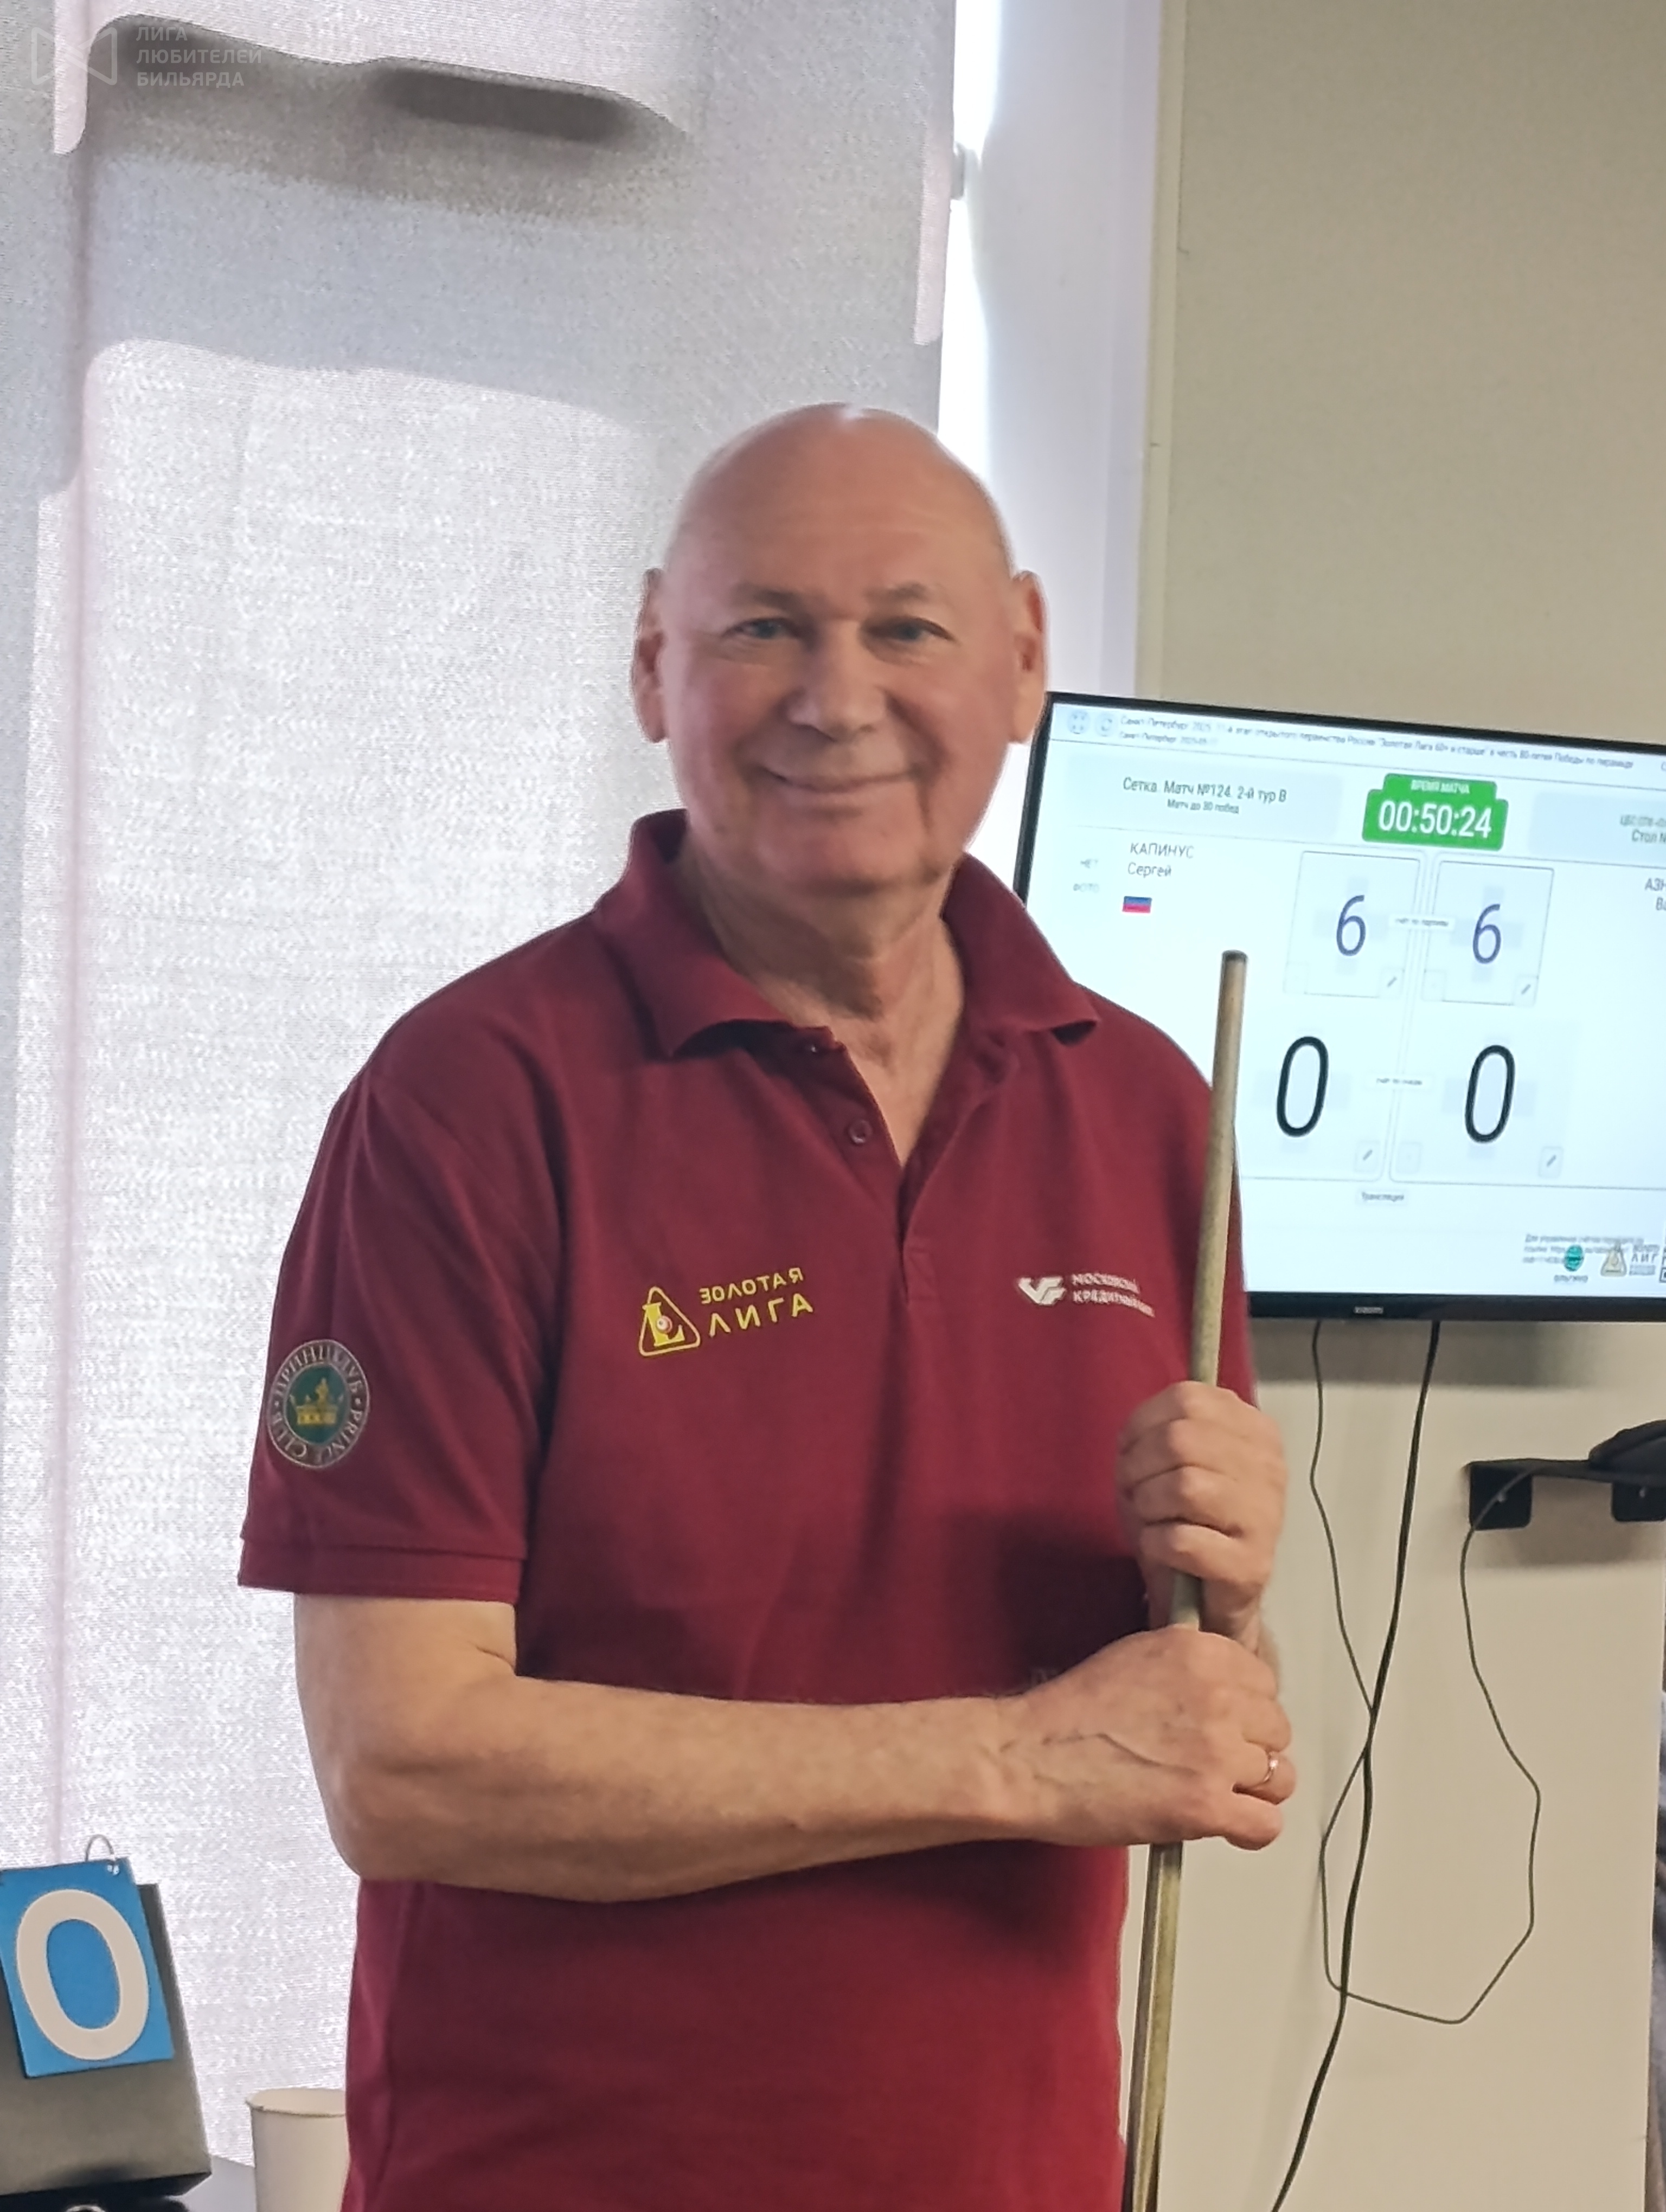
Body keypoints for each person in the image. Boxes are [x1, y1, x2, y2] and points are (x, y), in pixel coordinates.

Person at [240, 404, 1293, 2212]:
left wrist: (1234, 1620)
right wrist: (1011, 1759)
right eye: (765, 628)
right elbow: (404, 1767)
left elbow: (1184, 1722)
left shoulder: (1148, 1110)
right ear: (654, 663)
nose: (836, 697)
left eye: (906, 627)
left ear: (1023, 659)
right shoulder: (467, 1105)